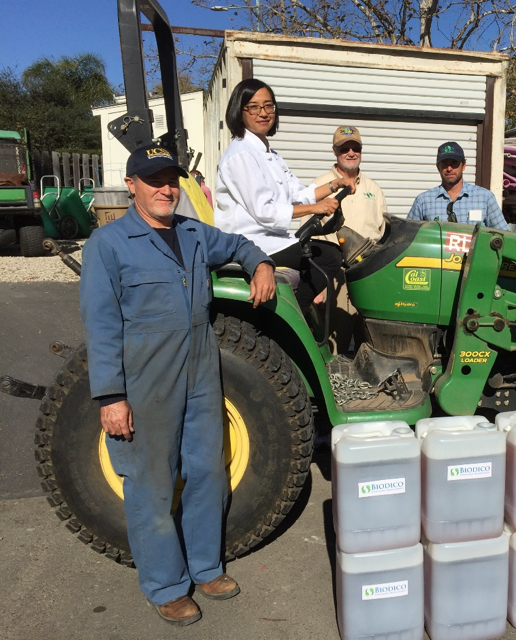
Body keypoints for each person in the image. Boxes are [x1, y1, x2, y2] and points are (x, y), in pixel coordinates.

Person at [80, 143, 277, 627]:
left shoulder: (192, 233)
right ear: (132, 187)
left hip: (200, 374)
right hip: (146, 382)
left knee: (208, 471)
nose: (166, 188)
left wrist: (262, 264)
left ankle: (206, 567)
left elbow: (238, 245)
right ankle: (167, 586)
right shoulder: (108, 245)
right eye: (154, 180)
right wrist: (111, 396)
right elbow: (100, 325)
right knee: (150, 483)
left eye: (171, 179)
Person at [214, 78, 356, 312]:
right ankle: (293, 313)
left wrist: (334, 185)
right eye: (254, 106)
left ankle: (297, 309)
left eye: (268, 106)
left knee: (329, 253)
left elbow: (299, 193)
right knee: (329, 257)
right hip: (250, 241)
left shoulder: (270, 154)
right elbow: (266, 212)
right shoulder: (241, 154)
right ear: (240, 112)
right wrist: (316, 209)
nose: (263, 113)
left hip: (271, 238)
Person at [313, 125, 387, 353]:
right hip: (335, 276)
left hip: (369, 275)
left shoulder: (373, 189)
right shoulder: (321, 185)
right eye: (345, 148)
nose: (351, 152)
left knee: (372, 341)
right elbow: (311, 239)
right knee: (335, 343)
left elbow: (383, 233)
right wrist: (317, 284)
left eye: (356, 148)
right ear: (335, 151)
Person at [407, 141, 509, 230]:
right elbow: (408, 235)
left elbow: (503, 235)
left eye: (454, 163)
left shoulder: (485, 198)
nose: (449, 168)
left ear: (463, 165)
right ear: (438, 167)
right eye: (444, 164)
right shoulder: (423, 201)